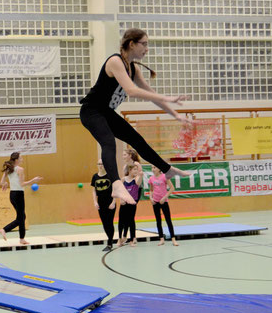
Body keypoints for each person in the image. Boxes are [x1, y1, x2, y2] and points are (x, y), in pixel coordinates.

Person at [79, 28, 190, 206]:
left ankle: (167, 169)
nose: (147, 49)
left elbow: (151, 94)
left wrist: (176, 115)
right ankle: (116, 184)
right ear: (132, 44)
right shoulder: (115, 61)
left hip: (106, 112)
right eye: (144, 44)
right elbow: (132, 91)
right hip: (91, 111)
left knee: (136, 139)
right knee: (108, 141)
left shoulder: (134, 68)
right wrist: (167, 98)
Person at [0, 152, 42, 245]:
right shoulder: (20, 169)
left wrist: (5, 183)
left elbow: (1, 182)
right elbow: (22, 184)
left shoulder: (9, 169)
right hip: (18, 194)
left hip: (12, 195)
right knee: (21, 217)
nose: (22, 159)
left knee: (22, 217)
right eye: (21, 158)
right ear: (16, 160)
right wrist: (33, 180)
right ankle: (4, 229)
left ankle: (22, 239)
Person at [149, 165, 178, 246]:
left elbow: (172, 188)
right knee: (158, 220)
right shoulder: (151, 178)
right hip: (155, 202)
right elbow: (151, 190)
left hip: (163, 201)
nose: (153, 169)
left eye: (154, 167)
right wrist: (151, 198)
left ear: (159, 169)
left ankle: (173, 239)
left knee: (168, 220)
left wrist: (164, 197)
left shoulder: (164, 177)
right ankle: (161, 238)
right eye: (152, 168)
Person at [91, 159, 116, 252]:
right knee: (104, 223)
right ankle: (110, 240)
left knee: (110, 222)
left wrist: (113, 202)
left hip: (110, 202)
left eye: (102, 164)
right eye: (99, 164)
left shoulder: (110, 175)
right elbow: (94, 190)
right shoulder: (95, 176)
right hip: (100, 203)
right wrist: (95, 202)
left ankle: (110, 243)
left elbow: (115, 189)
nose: (101, 165)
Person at [117, 164, 143, 247]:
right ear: (130, 170)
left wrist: (141, 176)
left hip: (132, 204)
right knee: (121, 221)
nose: (136, 171)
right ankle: (119, 238)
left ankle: (132, 239)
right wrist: (121, 199)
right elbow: (119, 191)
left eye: (137, 169)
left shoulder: (135, 179)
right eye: (134, 169)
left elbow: (138, 183)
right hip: (124, 203)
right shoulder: (123, 179)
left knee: (131, 221)